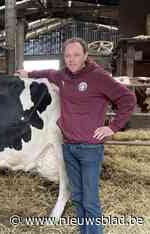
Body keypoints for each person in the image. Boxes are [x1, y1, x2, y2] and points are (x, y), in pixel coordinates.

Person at [16, 37, 136, 234]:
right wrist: (29, 73)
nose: (71, 60)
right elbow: (49, 73)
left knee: (90, 200)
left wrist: (113, 127)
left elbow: (128, 98)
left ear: (86, 56)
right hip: (69, 147)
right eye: (67, 56)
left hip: (90, 149)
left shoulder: (99, 77)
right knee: (78, 197)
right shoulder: (63, 76)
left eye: (76, 55)